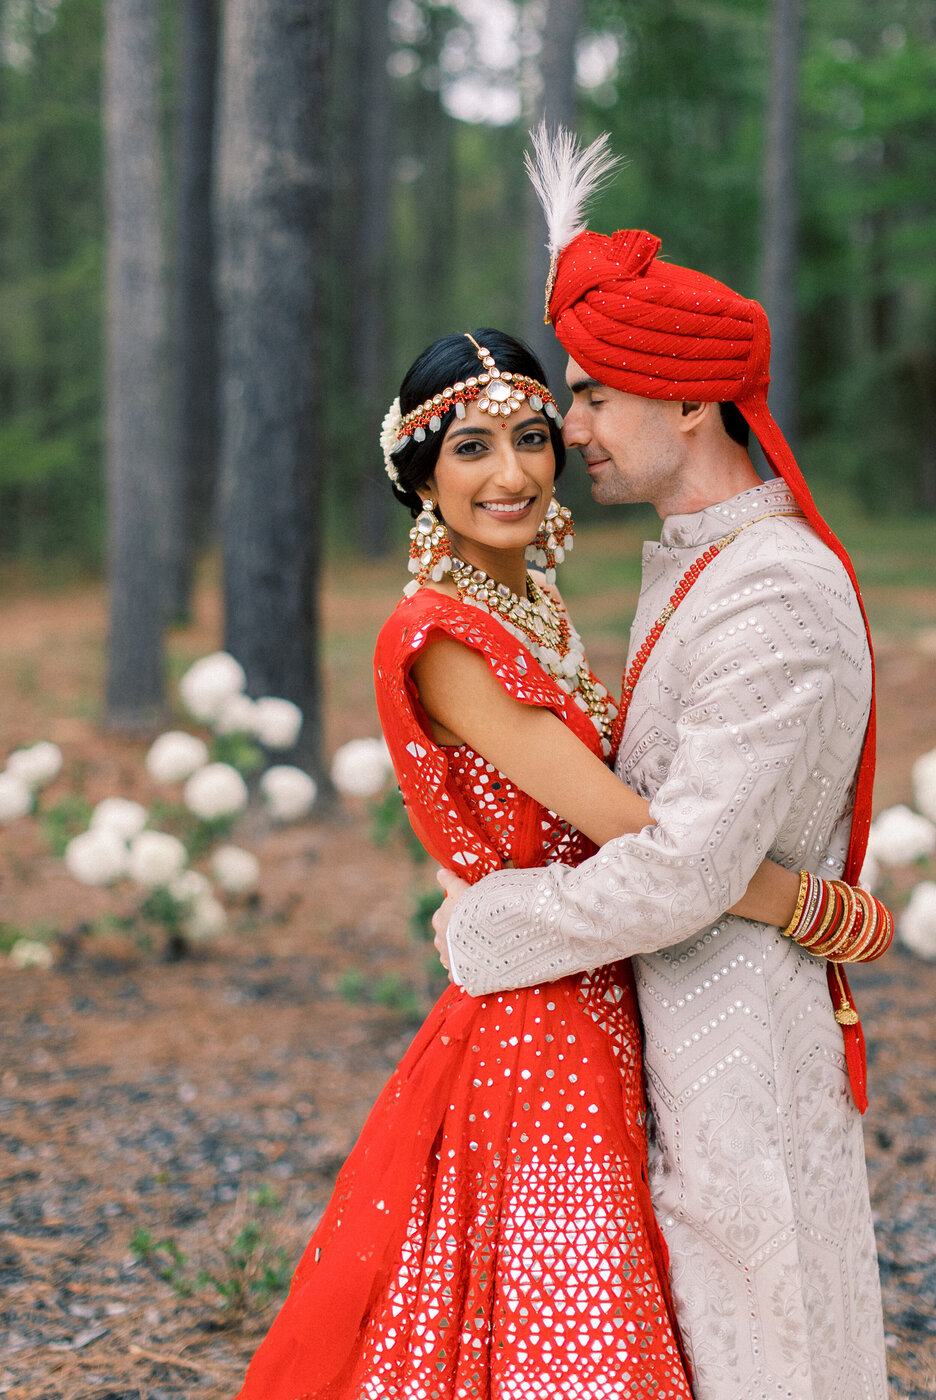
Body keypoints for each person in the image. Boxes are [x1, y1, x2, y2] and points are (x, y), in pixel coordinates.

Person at [235, 328, 883, 1400]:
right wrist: (811, 904)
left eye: (534, 438)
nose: (516, 471)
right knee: (571, 1320)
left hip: (598, 985)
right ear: (420, 475)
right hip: (540, 1025)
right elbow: (643, 834)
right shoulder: (445, 635)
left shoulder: (528, 610)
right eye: (473, 450)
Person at [433, 129, 892, 1400]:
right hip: (687, 1025)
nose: (564, 425)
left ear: (690, 401)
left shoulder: (774, 595)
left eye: (590, 395)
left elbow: (689, 864)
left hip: (739, 1043)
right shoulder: (700, 561)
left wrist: (491, 922)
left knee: (767, 1343)